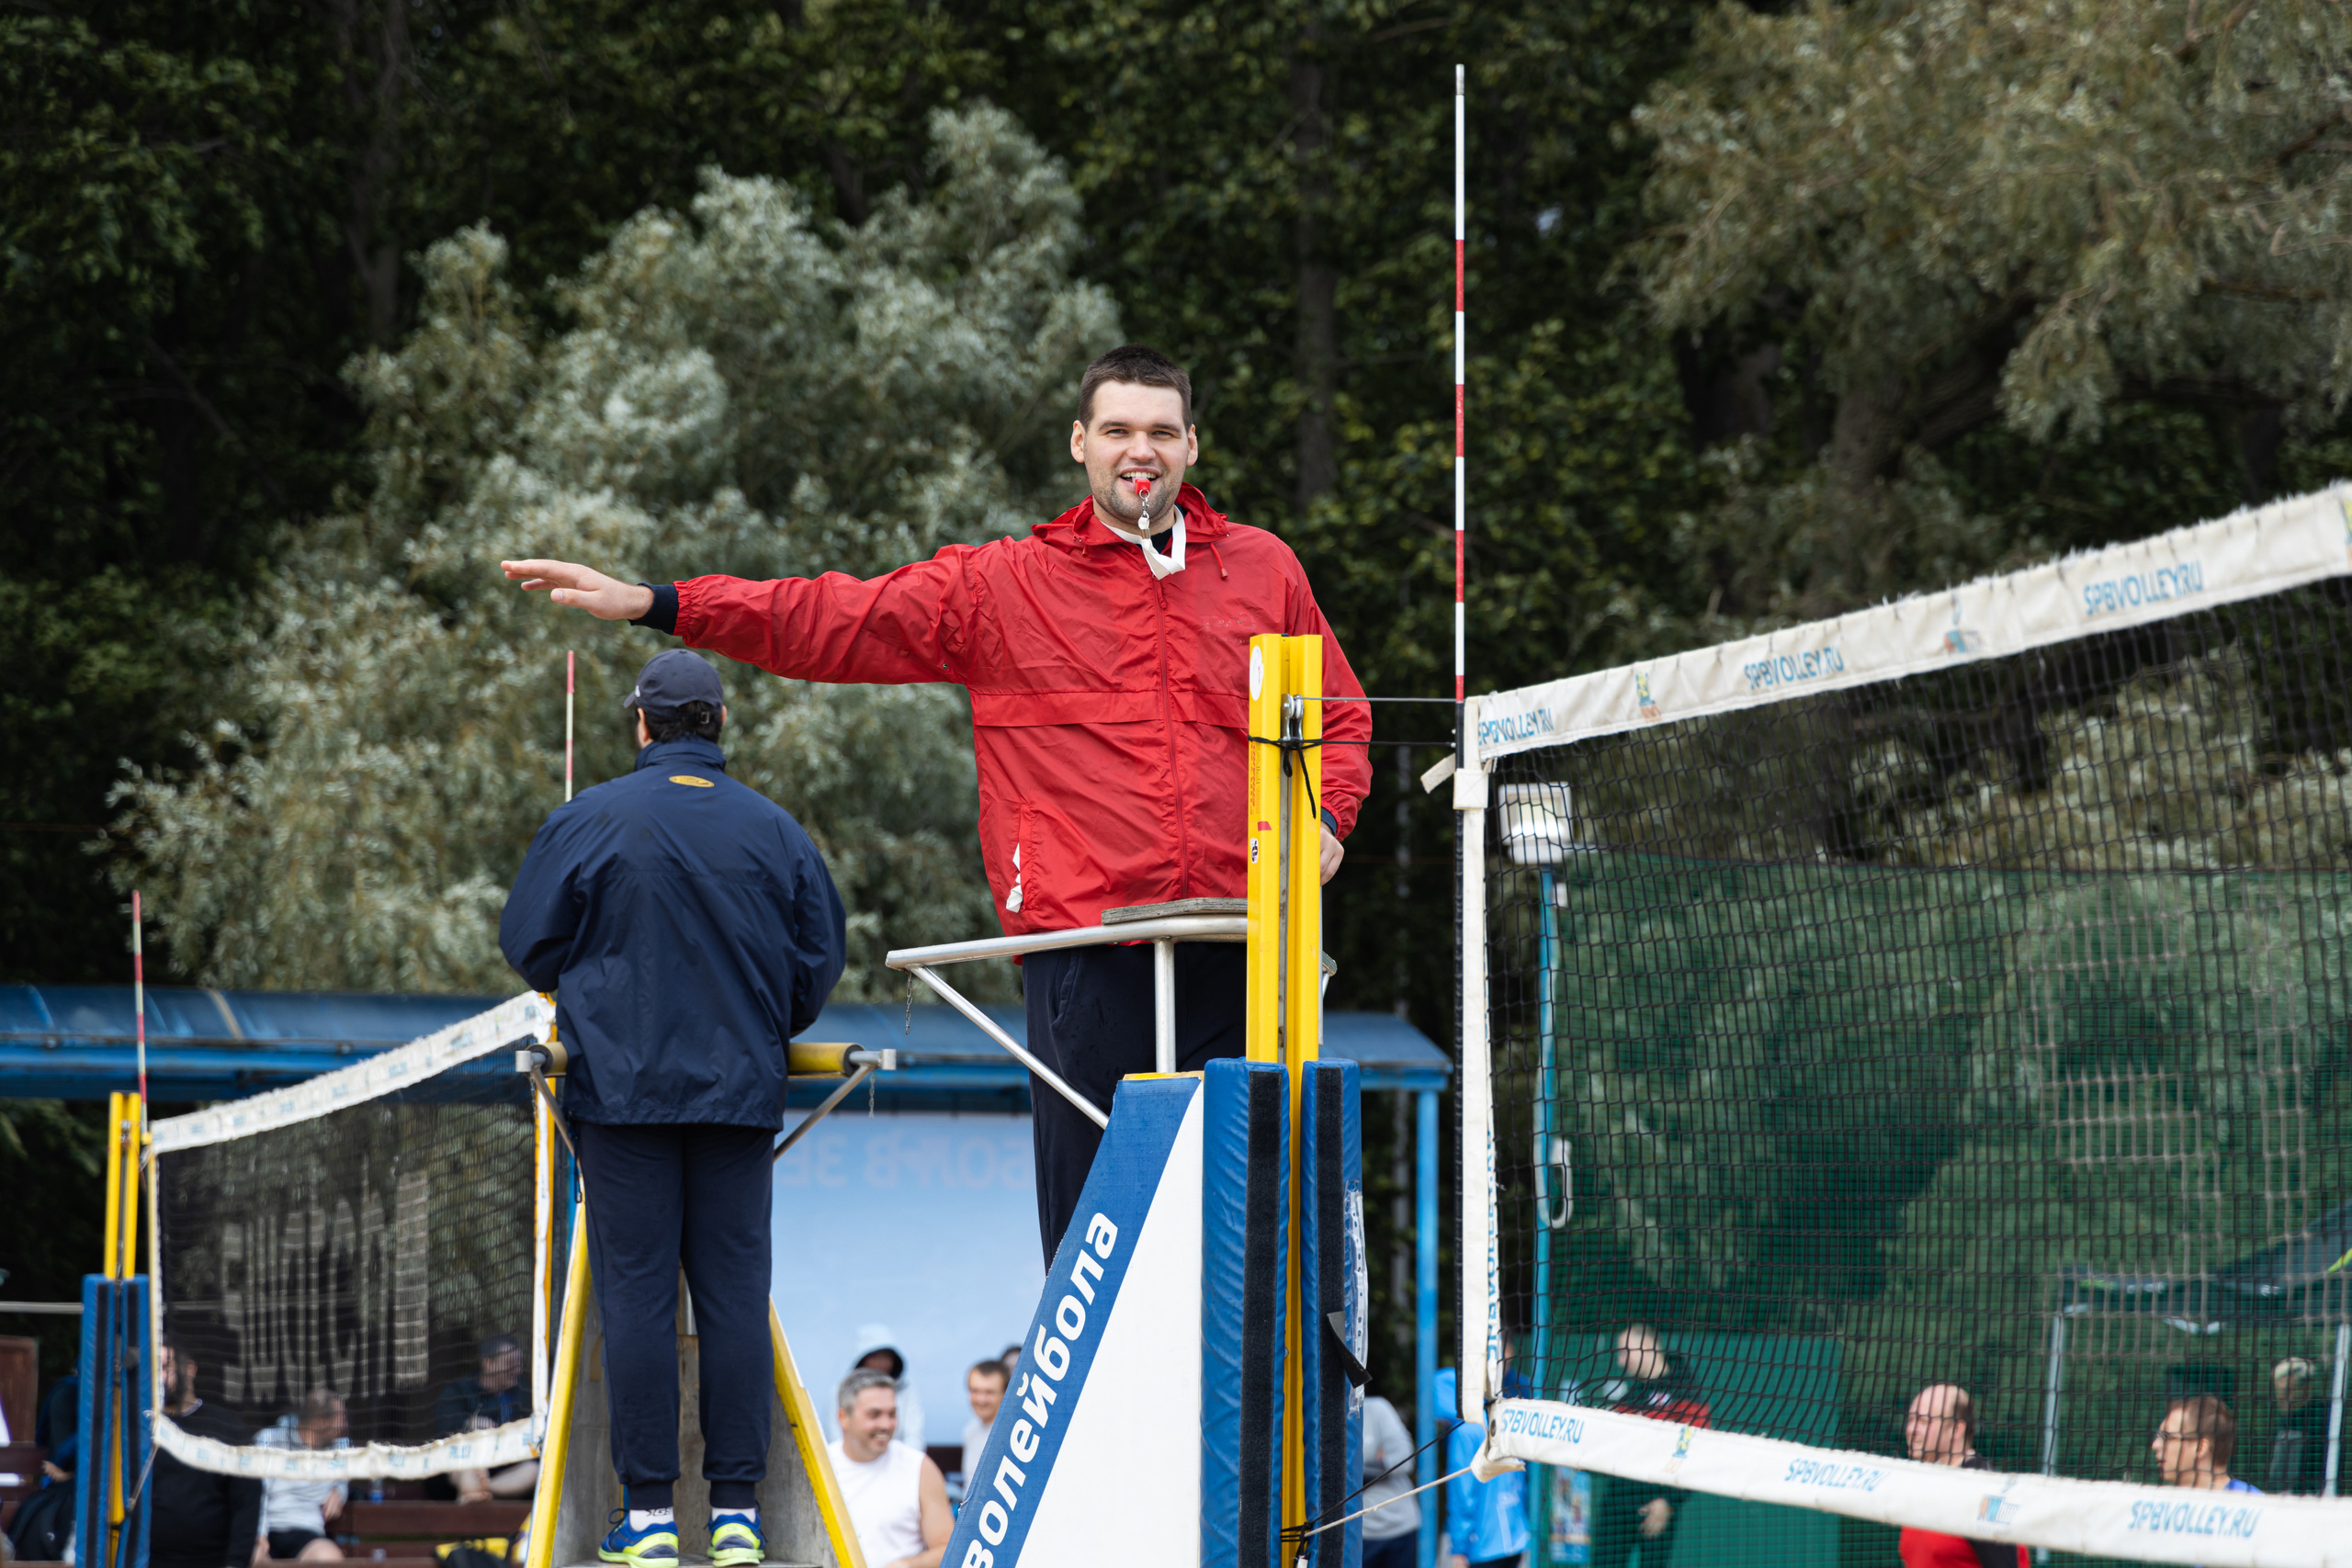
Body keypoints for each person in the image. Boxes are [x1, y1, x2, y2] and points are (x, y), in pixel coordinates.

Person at [500, 343, 1374, 1263]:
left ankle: (1241, 1408)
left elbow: (1340, 717)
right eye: (1116, 429)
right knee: (1098, 1234)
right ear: (1081, 443)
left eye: (1160, 431)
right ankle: (1092, 1404)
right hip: (1083, 944)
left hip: (1242, 937)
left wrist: (1329, 815)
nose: (1138, 450)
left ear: (1192, 446)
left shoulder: (1263, 567)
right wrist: (660, 602)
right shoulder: (1002, 585)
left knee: (1250, 1226)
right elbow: (828, 618)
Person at [501, 649, 850, 1568]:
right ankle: (738, 1514)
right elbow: (817, 966)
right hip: (740, 1097)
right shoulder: (777, 832)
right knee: (735, 1297)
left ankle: (648, 1519)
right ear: (721, 723)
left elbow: (528, 945)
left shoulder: (590, 819)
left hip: (621, 1095)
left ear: (642, 725)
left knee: (639, 1301)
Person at [1588, 1325, 1708, 1568]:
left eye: (1625, 1352)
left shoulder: (1687, 1391)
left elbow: (1693, 1450)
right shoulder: (1628, 1398)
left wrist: (1668, 1502)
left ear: (1648, 1345)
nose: (1621, 1361)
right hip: (1618, 1505)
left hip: (1658, 1507)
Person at [149, 1342, 264, 1568]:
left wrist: (236, 1563)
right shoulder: (139, 1429)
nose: (160, 1377)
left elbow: (246, 1506)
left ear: (190, 1369)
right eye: (154, 1370)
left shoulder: (228, 1428)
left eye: (166, 1367)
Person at [825, 1370, 951, 1568]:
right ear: (843, 1417)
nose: (886, 1424)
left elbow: (948, 1550)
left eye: (892, 1414)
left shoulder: (919, 1467)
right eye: (874, 1415)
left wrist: (907, 1566)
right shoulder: (821, 1467)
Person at [1895, 1384, 2027, 1568]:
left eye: (1924, 1421)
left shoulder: (1987, 1491)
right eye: (1911, 1419)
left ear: (1957, 1429)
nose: (1911, 1429)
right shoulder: (1921, 1485)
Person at [431, 1336, 538, 1505]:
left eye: (518, 1363)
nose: (517, 1370)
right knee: (464, 1470)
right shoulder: (458, 1390)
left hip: (504, 1469)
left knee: (533, 1469)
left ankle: (485, 1489)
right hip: (466, 1464)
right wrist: (469, 1424)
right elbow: (444, 1432)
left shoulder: (525, 1393)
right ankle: (474, 1494)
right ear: (488, 1364)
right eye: (510, 1363)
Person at [1437, 1367, 1525, 1568]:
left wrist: (1459, 1548)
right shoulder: (1498, 1418)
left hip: (1482, 1545)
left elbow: (1463, 1496)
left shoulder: (1464, 1433)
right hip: (1514, 1536)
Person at [257, 1389, 350, 1562]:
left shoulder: (339, 1447)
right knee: (251, 1557)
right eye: (340, 1418)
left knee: (329, 1559)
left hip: (308, 1534)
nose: (344, 1425)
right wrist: (259, 1535)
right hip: (267, 1530)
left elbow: (345, 1474)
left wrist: (339, 1491)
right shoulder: (268, 1440)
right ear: (320, 1422)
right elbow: (255, 1493)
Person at [1360, 1390, 1421, 1568]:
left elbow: (1404, 1461)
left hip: (1400, 1527)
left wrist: (1357, 1472)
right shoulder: (1326, 1418)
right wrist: (1379, 1464)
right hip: (1361, 1534)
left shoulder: (1377, 1408)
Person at [2153, 1394, 2259, 1494]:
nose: (2155, 1445)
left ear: (2200, 1447)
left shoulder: (2249, 1502)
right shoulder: (2162, 1504)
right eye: (2159, 1436)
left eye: (2167, 1437)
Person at [847, 1326, 926, 1451]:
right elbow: (841, 1437)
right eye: (875, 1357)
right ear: (862, 1360)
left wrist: (902, 1465)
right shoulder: (844, 1391)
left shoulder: (905, 1390)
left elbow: (914, 1436)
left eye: (886, 1357)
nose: (882, 1363)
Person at [2264, 1358, 2332, 1495]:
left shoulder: (2322, 1419)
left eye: (2288, 1391)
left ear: (2306, 1388)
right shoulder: (2284, 1419)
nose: (2281, 1397)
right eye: (2279, 1391)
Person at [958, 1360, 1007, 1500]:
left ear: (1005, 1394)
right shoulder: (969, 1431)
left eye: (989, 1392)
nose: (981, 1399)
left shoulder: (1013, 1433)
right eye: (975, 1391)